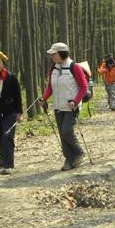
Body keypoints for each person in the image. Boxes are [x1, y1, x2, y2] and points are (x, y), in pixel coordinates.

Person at [41, 42, 89, 170]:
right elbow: (50, 87)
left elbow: (84, 86)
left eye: (54, 54)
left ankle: (79, 152)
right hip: (58, 106)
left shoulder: (74, 67)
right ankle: (69, 159)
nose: (52, 56)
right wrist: (44, 98)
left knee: (67, 130)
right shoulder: (53, 68)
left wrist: (75, 101)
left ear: (61, 53)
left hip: (71, 107)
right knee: (62, 134)